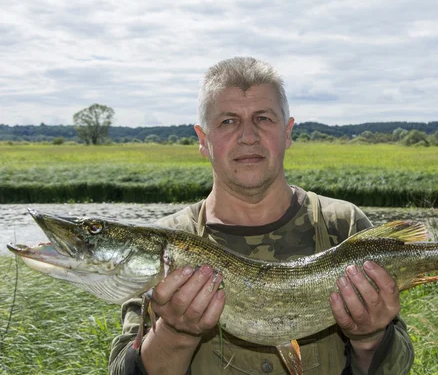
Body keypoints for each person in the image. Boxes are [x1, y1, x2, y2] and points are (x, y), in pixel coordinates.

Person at [108, 57, 414, 375]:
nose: (248, 136)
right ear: (203, 139)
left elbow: (398, 366)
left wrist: (370, 339)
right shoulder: (162, 245)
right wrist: (174, 335)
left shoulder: (342, 225)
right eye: (228, 121)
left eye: (263, 118)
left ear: (287, 132)